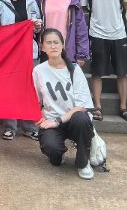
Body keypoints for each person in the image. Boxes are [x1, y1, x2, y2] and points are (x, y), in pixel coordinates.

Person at [33, 28, 96, 180]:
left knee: (81, 118)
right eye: (49, 43)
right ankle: (58, 155)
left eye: (56, 42)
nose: (53, 46)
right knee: (52, 150)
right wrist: (38, 116)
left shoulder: (74, 69)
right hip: (51, 120)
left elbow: (83, 105)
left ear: (62, 45)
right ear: (42, 47)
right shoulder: (38, 71)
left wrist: (58, 121)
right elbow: (35, 101)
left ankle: (83, 162)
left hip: (72, 120)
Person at [0, 0, 43, 141]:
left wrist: (37, 26)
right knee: (9, 90)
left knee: (29, 89)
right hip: (8, 54)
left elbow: (38, 25)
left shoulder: (31, 2)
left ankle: (30, 127)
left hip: (28, 52)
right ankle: (10, 127)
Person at [35, 0, 89, 66]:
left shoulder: (72, 0)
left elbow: (80, 27)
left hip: (66, 48)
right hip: (45, 48)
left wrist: (81, 53)